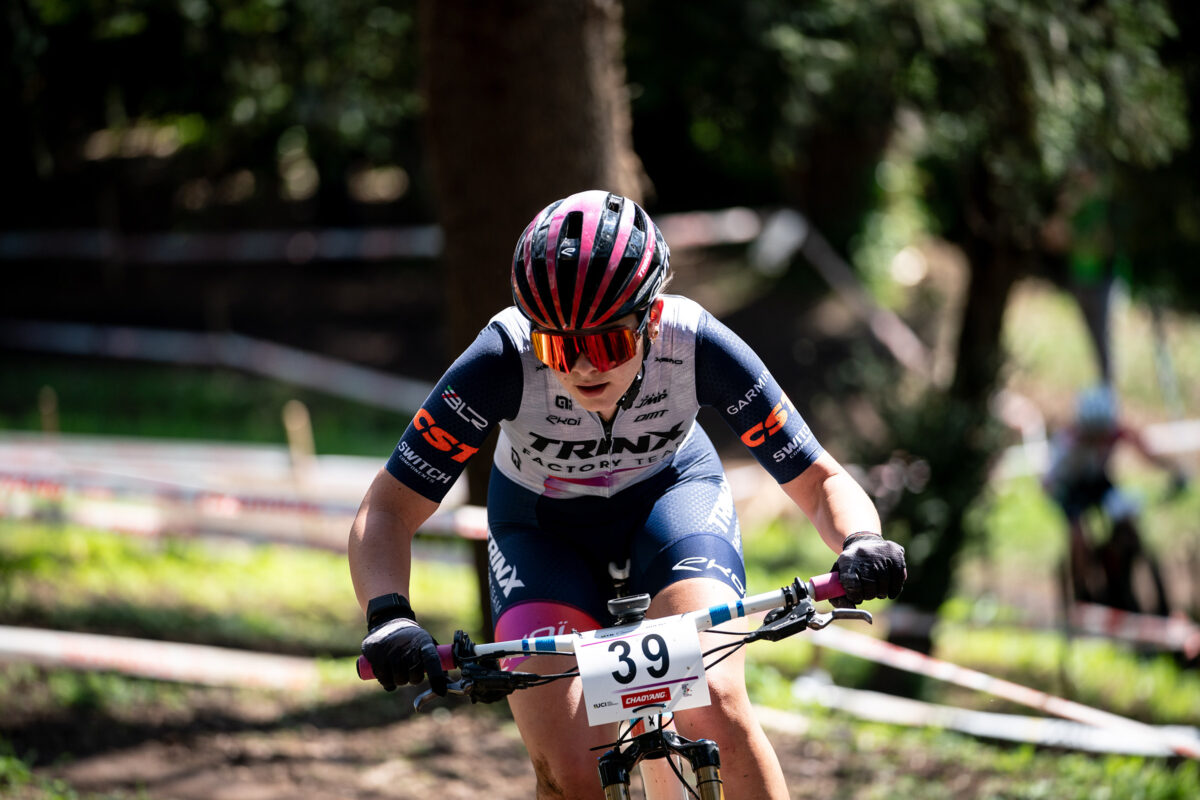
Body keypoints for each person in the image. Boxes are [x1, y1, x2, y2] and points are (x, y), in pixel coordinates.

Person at [349, 190, 907, 799]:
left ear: (652, 318)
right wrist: (388, 615)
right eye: (559, 347)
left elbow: (819, 479)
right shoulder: (501, 359)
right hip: (541, 532)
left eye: (608, 343)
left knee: (714, 705)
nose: (583, 367)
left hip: (672, 505)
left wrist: (862, 539)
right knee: (570, 768)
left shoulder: (696, 345)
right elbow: (389, 508)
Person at [1042, 384, 1187, 613]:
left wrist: (1174, 470)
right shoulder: (1068, 441)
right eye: (1093, 435)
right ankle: (1082, 593)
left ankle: (1124, 576)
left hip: (1098, 482)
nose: (1098, 440)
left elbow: (1145, 451)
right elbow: (1049, 480)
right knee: (1078, 536)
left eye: (1102, 433)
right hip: (1070, 488)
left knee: (1127, 522)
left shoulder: (1114, 432)